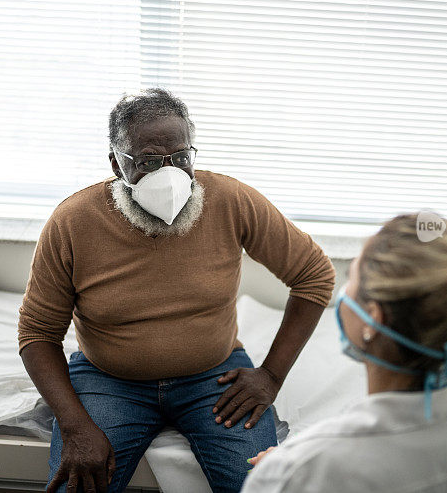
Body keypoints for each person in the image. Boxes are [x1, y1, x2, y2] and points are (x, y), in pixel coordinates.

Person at [17, 88, 335, 493]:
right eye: (148, 161)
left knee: (260, 485)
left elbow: (314, 276)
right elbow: (38, 333)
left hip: (214, 378)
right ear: (117, 164)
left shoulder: (231, 200)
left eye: (181, 158)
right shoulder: (73, 221)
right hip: (108, 377)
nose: (169, 176)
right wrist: (76, 425)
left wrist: (270, 375)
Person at [243, 213, 447, 493]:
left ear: (373, 319)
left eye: (352, 276)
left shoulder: (300, 472)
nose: (343, 290)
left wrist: (286, 470)